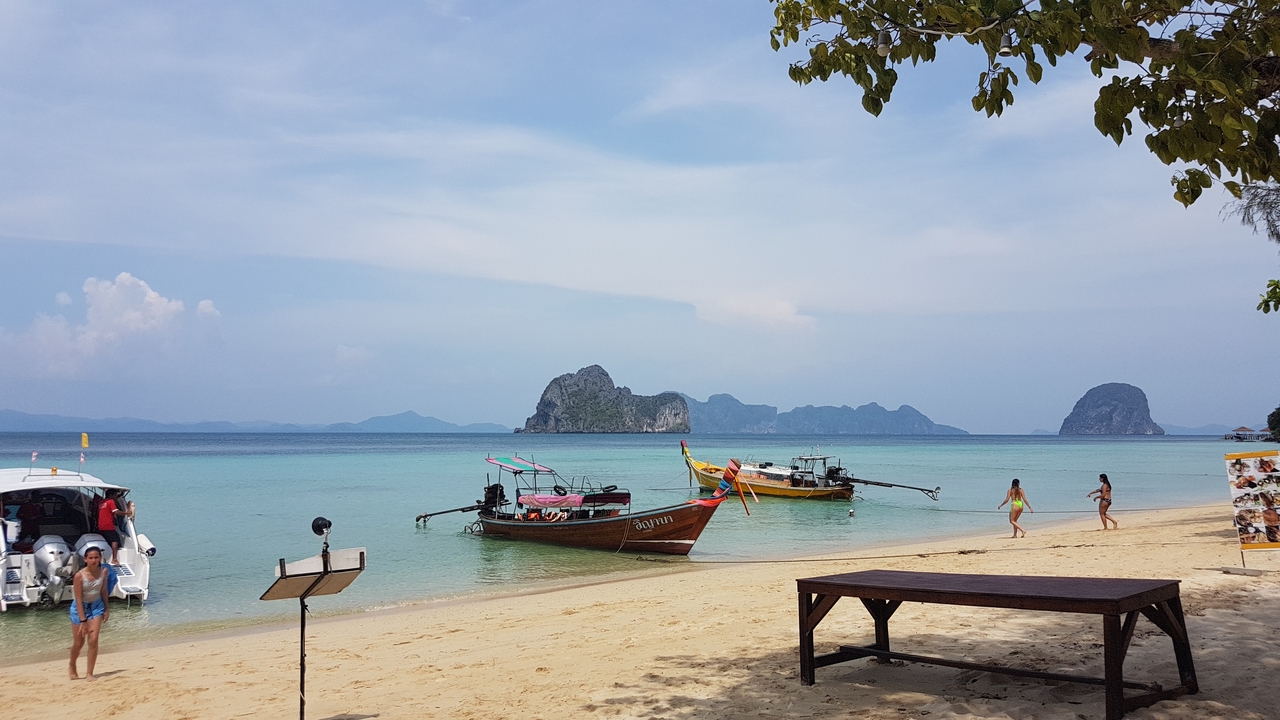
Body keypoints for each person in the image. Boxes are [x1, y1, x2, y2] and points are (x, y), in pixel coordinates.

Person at [69, 546, 109, 681]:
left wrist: (107, 608)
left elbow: (103, 590)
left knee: (93, 640)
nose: (94, 560)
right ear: (85, 559)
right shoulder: (79, 576)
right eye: (91, 558)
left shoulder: (103, 571)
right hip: (80, 608)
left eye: (96, 557)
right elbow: (79, 599)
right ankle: (72, 664)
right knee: (79, 643)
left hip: (96, 606)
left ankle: (89, 673)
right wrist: (83, 621)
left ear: (100, 558)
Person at [95, 491, 127, 565]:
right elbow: (116, 512)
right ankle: (114, 559)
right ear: (111, 495)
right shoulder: (111, 501)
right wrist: (127, 513)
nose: (116, 497)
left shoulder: (102, 502)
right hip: (108, 525)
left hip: (101, 526)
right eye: (115, 495)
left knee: (107, 540)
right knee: (115, 541)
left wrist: (121, 495)